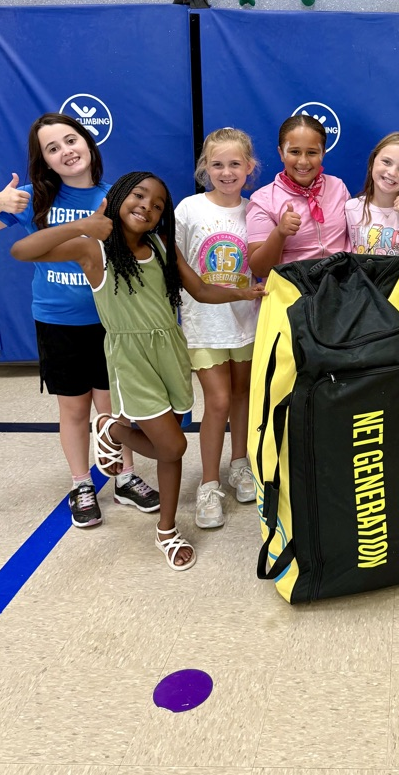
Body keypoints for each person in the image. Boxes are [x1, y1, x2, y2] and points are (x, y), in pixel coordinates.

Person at [10, 171, 267, 570]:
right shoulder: (93, 250)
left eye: (158, 204)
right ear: (116, 198)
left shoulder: (162, 247)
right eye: (139, 195)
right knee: (173, 446)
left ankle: (166, 529)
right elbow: (21, 251)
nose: (147, 206)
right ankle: (111, 428)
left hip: (170, 353)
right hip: (131, 360)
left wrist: (242, 293)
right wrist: (81, 225)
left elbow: (198, 290)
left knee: (171, 446)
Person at [0, 113, 158, 528]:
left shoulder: (115, 196)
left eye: (70, 140)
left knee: (113, 408)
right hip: (57, 322)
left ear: (88, 143)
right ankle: (82, 483)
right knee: (74, 410)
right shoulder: (32, 199)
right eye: (52, 148)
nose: (65, 151)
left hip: (110, 322)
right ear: (44, 161)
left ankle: (124, 477)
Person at [175, 128, 260, 529]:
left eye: (234, 164)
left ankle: (239, 464)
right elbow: (174, 265)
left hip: (247, 322)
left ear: (249, 167)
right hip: (204, 324)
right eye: (217, 164)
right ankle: (208, 484)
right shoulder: (188, 210)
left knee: (243, 395)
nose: (226, 172)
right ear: (204, 168)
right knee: (219, 401)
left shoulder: (256, 209)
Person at [247, 116, 350, 279]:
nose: (303, 161)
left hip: (341, 290)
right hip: (293, 294)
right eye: (294, 152)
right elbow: (260, 270)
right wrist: (279, 233)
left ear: (323, 153)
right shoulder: (263, 200)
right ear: (281, 153)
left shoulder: (338, 187)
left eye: (312, 152)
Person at [345, 132, 399, 272]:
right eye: (386, 162)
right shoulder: (351, 208)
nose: (392, 172)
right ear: (372, 162)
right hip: (360, 291)